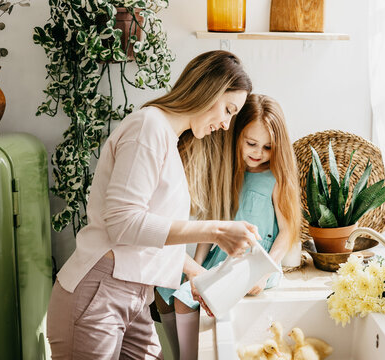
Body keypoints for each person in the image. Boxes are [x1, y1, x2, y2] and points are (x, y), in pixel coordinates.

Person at [46, 50, 257, 360]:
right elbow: (123, 222)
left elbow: (148, 230)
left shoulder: (167, 139)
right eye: (228, 109)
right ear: (207, 89)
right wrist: (215, 231)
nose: (226, 124)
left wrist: (195, 273)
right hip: (100, 294)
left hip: (133, 296)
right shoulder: (148, 127)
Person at [156, 94, 301, 360]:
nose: (257, 153)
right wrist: (195, 268)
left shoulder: (275, 178)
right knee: (164, 288)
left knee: (185, 298)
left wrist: (265, 269)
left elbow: (287, 231)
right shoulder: (228, 172)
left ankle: (186, 357)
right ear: (238, 136)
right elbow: (212, 226)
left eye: (267, 148)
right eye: (251, 143)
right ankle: (178, 354)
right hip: (220, 258)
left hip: (255, 263)